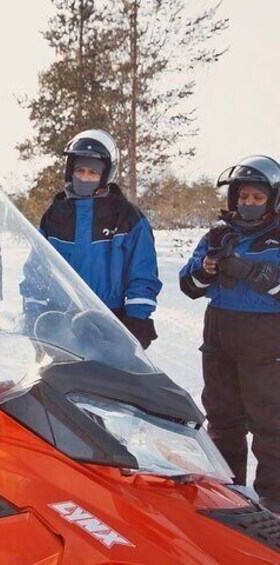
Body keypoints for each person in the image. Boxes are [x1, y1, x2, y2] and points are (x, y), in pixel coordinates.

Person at [180, 155, 280, 512]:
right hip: (219, 333)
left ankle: (274, 500)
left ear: (273, 198)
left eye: (257, 197)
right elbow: (189, 284)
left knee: (270, 421)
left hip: (266, 338)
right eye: (243, 197)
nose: (248, 203)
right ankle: (228, 494)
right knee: (222, 418)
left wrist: (254, 272)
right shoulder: (218, 234)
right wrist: (206, 268)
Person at [34, 129, 162, 349]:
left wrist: (137, 319)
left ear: (105, 175)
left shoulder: (126, 216)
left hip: (111, 321)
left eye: (92, 173)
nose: (84, 178)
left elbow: (142, 272)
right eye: (80, 170)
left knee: (106, 383)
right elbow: (37, 268)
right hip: (62, 321)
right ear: (70, 171)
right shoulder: (54, 216)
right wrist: (33, 312)